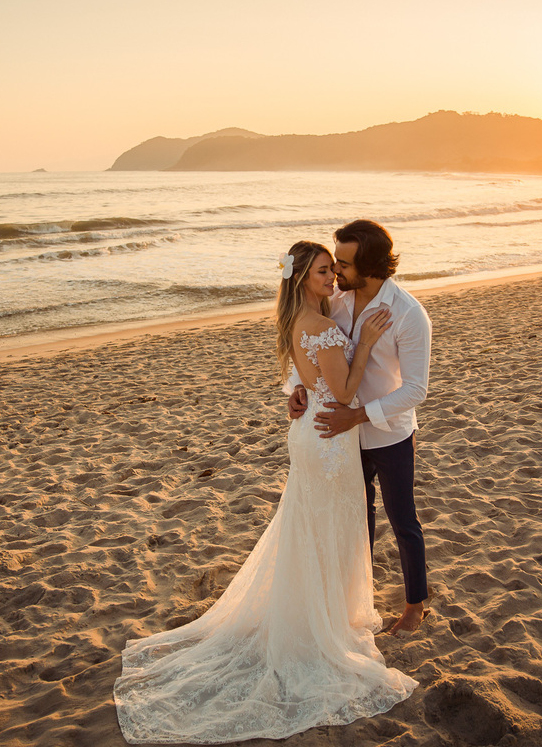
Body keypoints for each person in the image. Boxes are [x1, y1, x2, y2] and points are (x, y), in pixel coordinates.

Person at [114, 240, 417, 744]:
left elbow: (304, 380)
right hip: (329, 439)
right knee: (324, 527)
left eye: (332, 270)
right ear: (301, 279)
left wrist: (302, 390)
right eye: (322, 272)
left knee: (314, 526)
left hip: (316, 436)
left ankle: (322, 612)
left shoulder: (300, 321)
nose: (331, 278)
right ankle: (320, 624)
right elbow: (342, 395)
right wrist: (362, 346)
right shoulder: (319, 325)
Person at [287, 219, 432, 636]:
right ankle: (357, 602)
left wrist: (361, 414)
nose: (335, 272)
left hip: (388, 433)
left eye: (343, 264)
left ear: (368, 266)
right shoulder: (337, 302)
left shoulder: (407, 314)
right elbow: (311, 354)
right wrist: (295, 388)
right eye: (332, 264)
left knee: (403, 521)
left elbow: (416, 389)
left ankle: (414, 607)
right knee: (357, 521)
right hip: (342, 436)